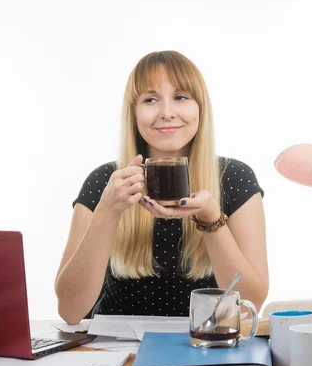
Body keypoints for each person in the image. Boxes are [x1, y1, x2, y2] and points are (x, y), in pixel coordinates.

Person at [55, 50, 268, 325]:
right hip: (116, 352)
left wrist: (210, 218)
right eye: (150, 99)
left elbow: (249, 306)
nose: (167, 113)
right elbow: (70, 310)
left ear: (200, 107)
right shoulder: (105, 181)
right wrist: (108, 210)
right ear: (133, 112)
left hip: (205, 347)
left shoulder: (234, 177)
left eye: (181, 97)